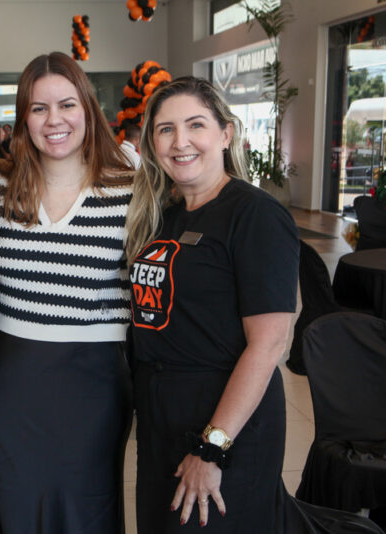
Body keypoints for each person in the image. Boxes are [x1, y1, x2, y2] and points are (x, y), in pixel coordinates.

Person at [124, 76, 299, 532]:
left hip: (225, 423)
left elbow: (268, 345)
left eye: (195, 125)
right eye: (165, 129)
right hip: (162, 420)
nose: (180, 142)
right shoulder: (164, 215)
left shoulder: (254, 214)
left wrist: (212, 447)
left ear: (225, 134)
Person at [0, 51, 133, 534]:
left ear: (88, 109)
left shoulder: (131, 189)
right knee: (18, 499)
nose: (55, 121)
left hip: (96, 379)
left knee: (88, 504)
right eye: (39, 108)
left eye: (67, 105)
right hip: (14, 374)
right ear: (23, 118)